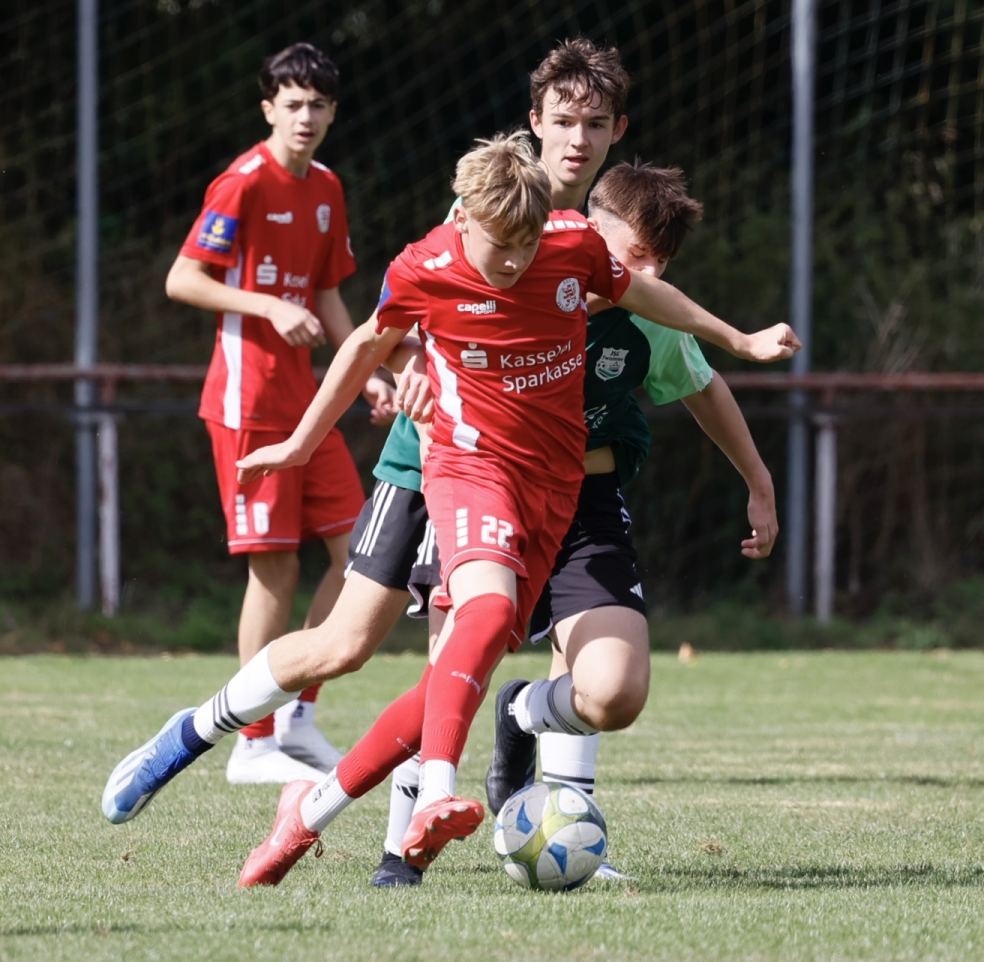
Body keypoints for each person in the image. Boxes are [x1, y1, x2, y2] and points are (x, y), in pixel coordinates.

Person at [103, 132, 799, 887]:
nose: (514, 261)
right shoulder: (428, 262)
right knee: (401, 633)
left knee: (466, 658)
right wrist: (308, 438)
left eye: (526, 244)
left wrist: (738, 339)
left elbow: (645, 297)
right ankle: (379, 792)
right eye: (502, 245)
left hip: (551, 486)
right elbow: (370, 341)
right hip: (459, 464)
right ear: (463, 215)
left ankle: (310, 811)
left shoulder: (569, 249)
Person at [483, 160, 779, 826]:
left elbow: (704, 388)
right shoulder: (522, 272)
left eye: (662, 262)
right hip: (490, 492)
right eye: (638, 254)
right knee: (413, 655)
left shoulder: (653, 315)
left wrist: (758, 482)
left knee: (614, 692)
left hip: (585, 502)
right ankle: (404, 838)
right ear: (592, 230)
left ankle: (526, 724)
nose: (650, 274)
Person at [164, 43, 395, 785]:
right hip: (248, 405)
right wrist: (266, 304)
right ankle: (252, 741)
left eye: (318, 105)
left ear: (333, 112)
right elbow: (183, 279)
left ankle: (295, 715)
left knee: (360, 555)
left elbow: (327, 295)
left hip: (306, 410)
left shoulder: (327, 188)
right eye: (292, 104)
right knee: (275, 570)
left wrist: (369, 373)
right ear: (268, 108)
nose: (306, 116)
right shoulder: (243, 182)